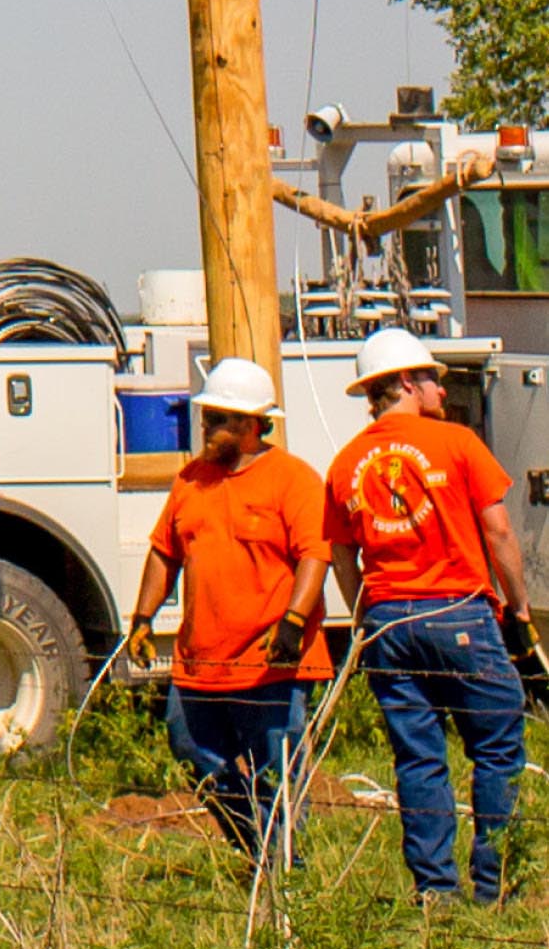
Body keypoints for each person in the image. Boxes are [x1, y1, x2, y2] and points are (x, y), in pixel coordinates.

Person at [328, 326, 531, 905]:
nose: (441, 389)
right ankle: (493, 886)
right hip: (459, 611)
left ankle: (435, 891)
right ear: (406, 384)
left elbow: (343, 556)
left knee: (419, 759)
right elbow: (498, 530)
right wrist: (517, 607)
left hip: (388, 621)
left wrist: (366, 616)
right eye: (433, 379)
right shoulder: (457, 444)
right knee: (496, 747)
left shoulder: (347, 462)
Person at [128, 357, 334, 865]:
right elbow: (163, 551)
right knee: (191, 750)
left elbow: (316, 554)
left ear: (251, 423)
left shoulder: (293, 479)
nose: (207, 427)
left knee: (277, 768)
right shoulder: (190, 480)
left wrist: (292, 621)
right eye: (207, 417)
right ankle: (260, 848)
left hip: (271, 662)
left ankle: (283, 873)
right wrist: (141, 618)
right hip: (199, 664)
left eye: (219, 418)